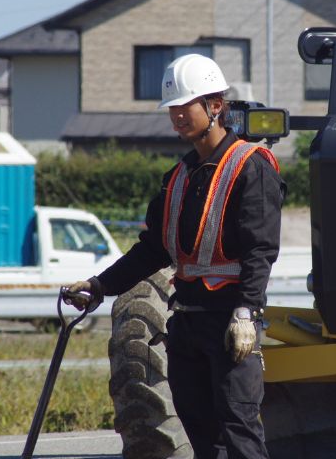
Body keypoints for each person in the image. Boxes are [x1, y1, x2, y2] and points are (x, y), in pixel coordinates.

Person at [67, 53, 285, 459]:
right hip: (186, 322)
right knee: (202, 434)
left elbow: (260, 250)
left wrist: (246, 313)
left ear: (215, 106)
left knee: (239, 430)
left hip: (229, 323)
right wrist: (99, 286)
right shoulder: (179, 176)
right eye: (173, 109)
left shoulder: (251, 167)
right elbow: (153, 250)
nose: (178, 117)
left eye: (186, 107)